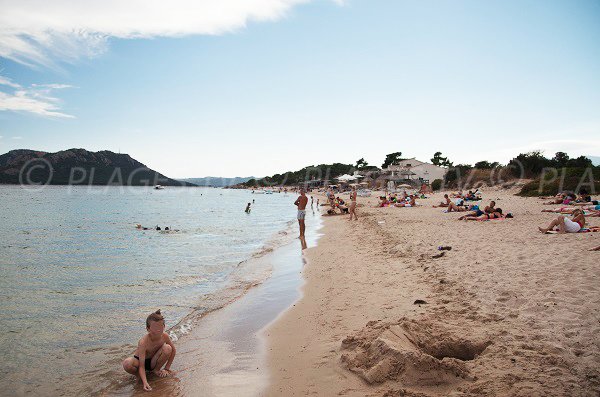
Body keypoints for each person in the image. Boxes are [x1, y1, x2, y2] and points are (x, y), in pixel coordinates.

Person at [122, 310, 176, 391]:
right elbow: (141, 365)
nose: (159, 330)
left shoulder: (165, 336)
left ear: (164, 326)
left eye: (161, 326)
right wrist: (145, 382)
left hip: (153, 361)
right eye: (155, 328)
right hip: (140, 362)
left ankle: (156, 370)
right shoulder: (143, 342)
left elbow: (173, 351)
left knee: (168, 348)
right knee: (127, 363)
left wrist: (167, 368)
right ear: (148, 329)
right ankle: (139, 375)